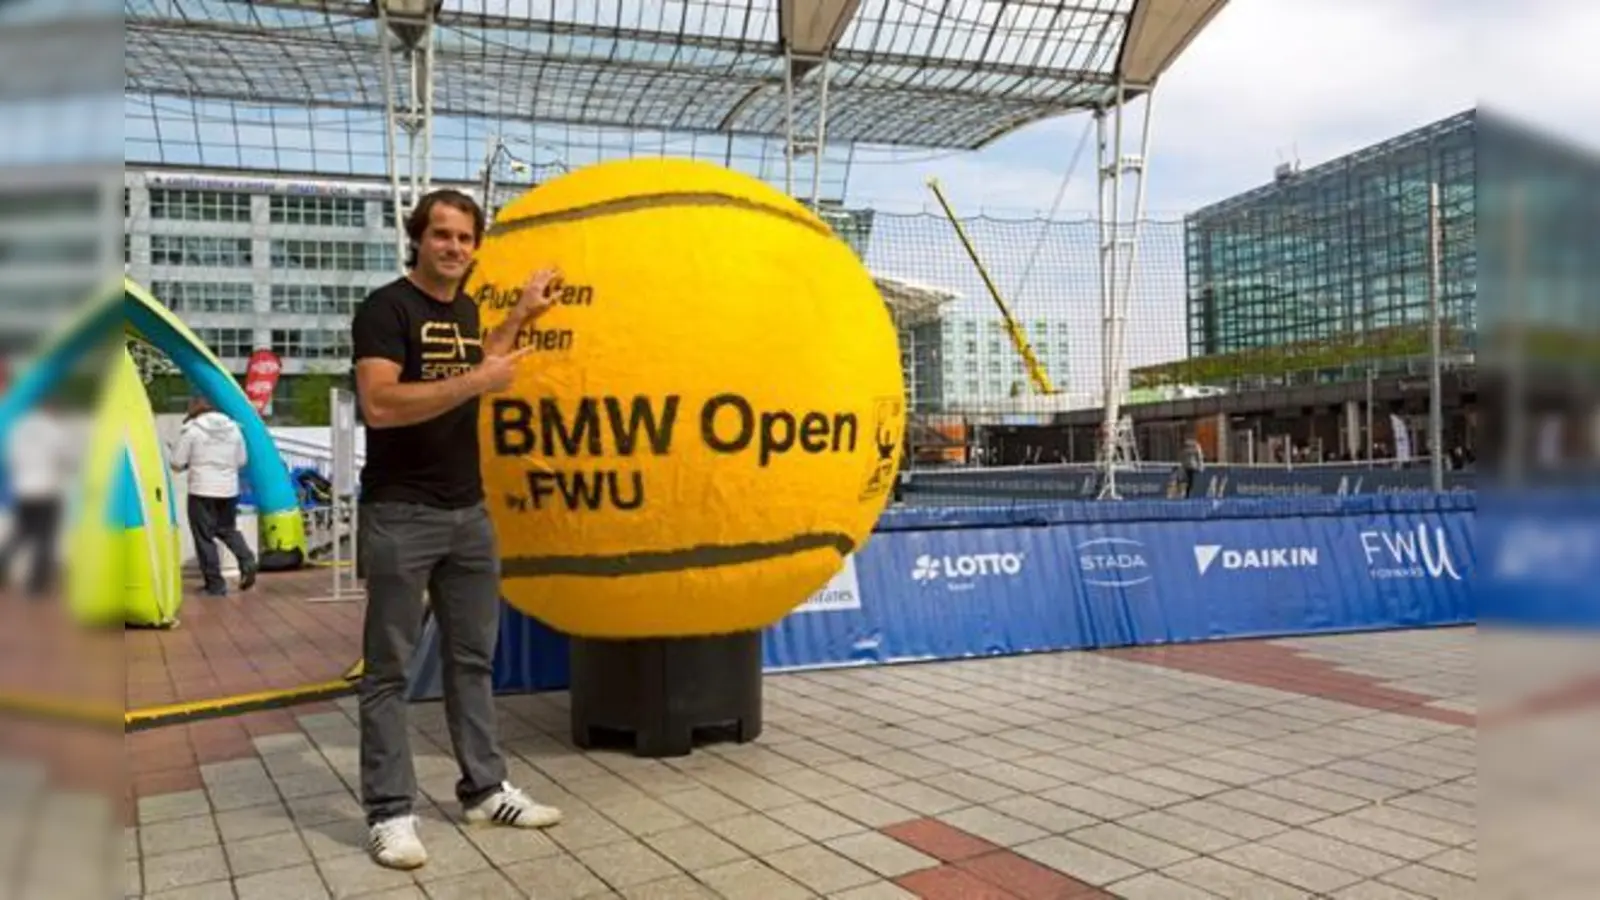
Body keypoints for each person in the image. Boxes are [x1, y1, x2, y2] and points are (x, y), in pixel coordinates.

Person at [349, 187, 563, 871]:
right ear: (419, 238)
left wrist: (520, 317)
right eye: (442, 235)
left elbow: (475, 366)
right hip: (400, 514)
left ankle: (483, 788)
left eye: (466, 238)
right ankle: (389, 813)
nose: (455, 248)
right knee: (387, 672)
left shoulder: (466, 308)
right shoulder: (385, 309)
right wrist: (477, 382)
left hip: (468, 514)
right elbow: (380, 405)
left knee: (472, 662)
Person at [170, 396, 257, 596]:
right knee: (226, 529)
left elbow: (176, 462)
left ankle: (215, 585)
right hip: (228, 489)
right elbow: (242, 460)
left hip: (202, 489)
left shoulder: (192, 430)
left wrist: (191, 463)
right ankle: (246, 559)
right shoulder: (234, 429)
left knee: (204, 537)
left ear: (194, 411)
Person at [0, 401, 73, 597]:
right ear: (52, 409)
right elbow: (65, 458)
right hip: (46, 490)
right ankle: (36, 586)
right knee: (44, 539)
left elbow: (12, 458)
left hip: (24, 490)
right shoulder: (55, 430)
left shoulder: (21, 430)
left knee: (20, 534)